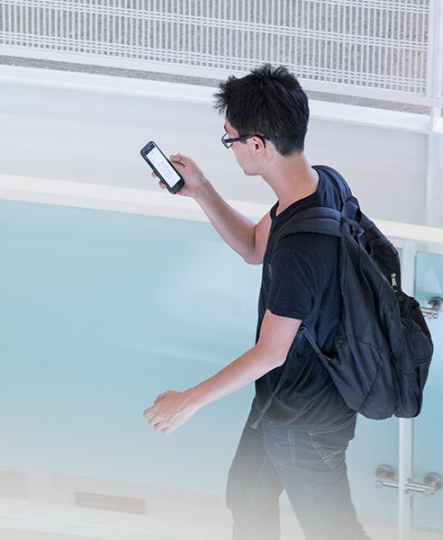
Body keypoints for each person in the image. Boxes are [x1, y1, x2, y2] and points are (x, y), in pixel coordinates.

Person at [143, 64, 370, 540]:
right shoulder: (321, 183)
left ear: (258, 145)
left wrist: (190, 400)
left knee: (332, 530)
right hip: (286, 399)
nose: (231, 149)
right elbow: (252, 246)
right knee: (246, 496)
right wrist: (201, 189)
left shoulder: (300, 251)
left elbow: (272, 351)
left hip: (309, 418)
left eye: (231, 140)